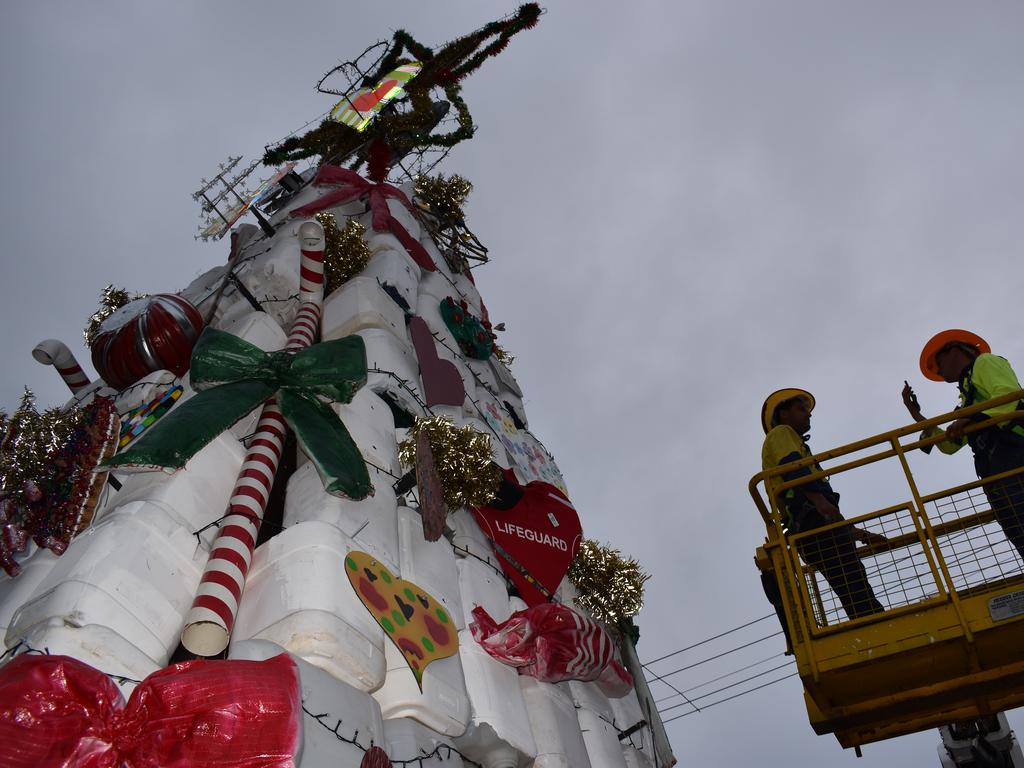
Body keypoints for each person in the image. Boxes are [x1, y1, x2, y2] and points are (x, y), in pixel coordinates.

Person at [761, 388, 885, 621]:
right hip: (812, 522)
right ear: (784, 414)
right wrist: (822, 505)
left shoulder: (795, 443)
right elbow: (794, 471)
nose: (809, 415)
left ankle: (871, 621)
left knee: (851, 577)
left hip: (813, 523)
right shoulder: (781, 433)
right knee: (851, 578)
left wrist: (859, 533)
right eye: (801, 409)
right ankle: (876, 623)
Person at [901, 329, 1024, 560]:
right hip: (995, 471)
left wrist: (971, 417)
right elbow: (951, 445)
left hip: (1016, 454)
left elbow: (1010, 395)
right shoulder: (967, 397)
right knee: (1018, 531)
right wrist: (916, 414)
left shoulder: (985, 363)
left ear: (955, 350)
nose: (938, 370)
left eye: (938, 361)